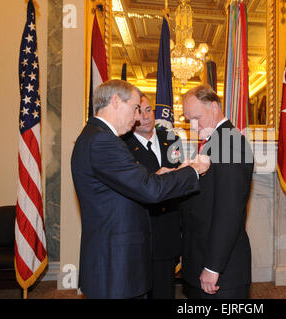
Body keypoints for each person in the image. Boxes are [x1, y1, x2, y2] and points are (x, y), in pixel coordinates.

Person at [71, 79, 209, 299]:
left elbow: (126, 185)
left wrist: (160, 175)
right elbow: (150, 190)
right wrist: (193, 169)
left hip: (114, 261)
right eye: (135, 108)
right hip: (116, 267)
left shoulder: (94, 136)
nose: (138, 117)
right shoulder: (103, 141)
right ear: (116, 101)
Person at [179, 85, 254, 299]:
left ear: (214, 107)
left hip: (222, 272)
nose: (193, 126)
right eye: (189, 120)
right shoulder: (213, 141)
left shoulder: (229, 142)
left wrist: (212, 266)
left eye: (196, 118)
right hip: (201, 255)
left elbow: (229, 211)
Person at [123, 94, 184, 298]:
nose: (146, 117)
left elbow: (180, 184)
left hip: (168, 230)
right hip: (140, 231)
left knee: (165, 291)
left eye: (149, 110)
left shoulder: (171, 138)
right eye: (139, 112)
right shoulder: (123, 145)